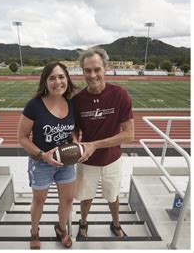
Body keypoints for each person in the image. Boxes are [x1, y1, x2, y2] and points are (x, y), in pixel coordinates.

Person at [73, 47, 134, 239]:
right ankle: (83, 222)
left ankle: (116, 223)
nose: (92, 75)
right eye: (87, 70)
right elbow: (74, 129)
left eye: (96, 69)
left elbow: (129, 135)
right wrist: (76, 142)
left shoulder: (120, 94)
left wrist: (94, 145)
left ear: (105, 68)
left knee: (113, 196)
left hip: (112, 159)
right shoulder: (77, 100)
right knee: (85, 197)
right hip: (87, 160)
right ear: (82, 71)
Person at [17, 61, 77, 249]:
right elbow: (22, 137)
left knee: (67, 199)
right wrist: (42, 155)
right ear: (45, 81)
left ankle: (61, 229)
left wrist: (75, 142)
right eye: (52, 78)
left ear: (67, 79)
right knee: (39, 200)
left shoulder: (72, 104)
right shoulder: (34, 106)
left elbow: (73, 131)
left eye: (61, 77)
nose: (57, 82)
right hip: (41, 163)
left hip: (66, 162)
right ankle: (34, 231)